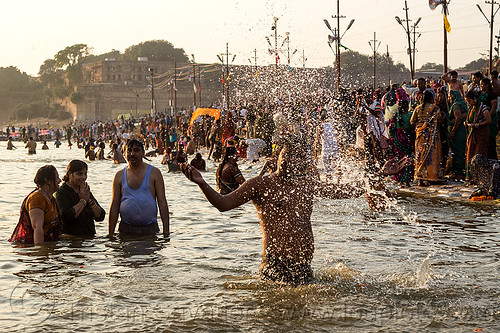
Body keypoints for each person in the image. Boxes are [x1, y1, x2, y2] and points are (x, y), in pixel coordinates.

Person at [179, 136, 389, 285]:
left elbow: (346, 191)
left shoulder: (307, 184)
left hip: (303, 268)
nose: (289, 159)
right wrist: (201, 183)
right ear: (277, 157)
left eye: (296, 156)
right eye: (285, 154)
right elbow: (223, 204)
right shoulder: (260, 184)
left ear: (304, 162)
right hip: (275, 266)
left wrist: (379, 176)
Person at [108, 139, 170, 236]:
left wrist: (166, 233)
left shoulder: (154, 173)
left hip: (150, 230)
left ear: (143, 153)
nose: (132, 154)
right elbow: (114, 206)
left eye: (136, 150)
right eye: (129, 151)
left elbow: (162, 202)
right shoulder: (119, 176)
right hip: (126, 231)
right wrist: (110, 234)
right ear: (124, 153)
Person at [9, 165, 62, 244]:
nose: (60, 180)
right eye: (57, 177)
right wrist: (39, 252)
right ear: (47, 180)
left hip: (48, 242)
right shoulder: (37, 198)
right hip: (29, 245)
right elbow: (37, 227)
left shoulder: (51, 199)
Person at [55, 160, 106, 236]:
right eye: (79, 174)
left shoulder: (84, 190)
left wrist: (91, 203)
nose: (83, 177)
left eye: (85, 174)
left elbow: (100, 216)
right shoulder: (61, 193)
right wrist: (83, 201)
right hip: (70, 242)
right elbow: (66, 217)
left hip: (89, 240)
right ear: (70, 174)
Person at [410, 90, 445, 186]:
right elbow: (439, 121)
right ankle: (431, 177)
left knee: (420, 155)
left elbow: (412, 121)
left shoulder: (417, 108)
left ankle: (420, 178)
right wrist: (444, 116)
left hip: (420, 135)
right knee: (431, 155)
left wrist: (421, 125)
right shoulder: (435, 108)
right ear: (431, 98)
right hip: (431, 135)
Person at [387, 88, 414, 186]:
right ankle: (407, 180)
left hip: (398, 140)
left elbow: (390, 129)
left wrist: (392, 139)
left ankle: (400, 179)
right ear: (407, 107)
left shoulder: (396, 116)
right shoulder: (411, 114)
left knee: (399, 159)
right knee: (408, 159)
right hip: (408, 139)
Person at [464, 91, 492, 180]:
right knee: (470, 154)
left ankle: (480, 178)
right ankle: (470, 177)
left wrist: (478, 125)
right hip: (473, 134)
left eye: (469, 101)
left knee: (479, 154)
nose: (468, 103)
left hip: (481, 135)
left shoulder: (483, 108)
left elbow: (489, 120)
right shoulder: (471, 108)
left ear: (475, 99)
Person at [447, 90, 468, 180]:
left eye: (449, 96)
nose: (449, 98)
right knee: (461, 151)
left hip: (458, 131)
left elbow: (458, 118)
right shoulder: (463, 103)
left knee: (458, 151)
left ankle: (459, 173)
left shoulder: (456, 105)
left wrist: (453, 131)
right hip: (463, 130)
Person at [479, 78, 498, 159]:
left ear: (487, 85)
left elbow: (494, 107)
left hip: (491, 118)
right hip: (481, 119)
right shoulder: (479, 93)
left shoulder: (492, 94)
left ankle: (493, 159)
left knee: (491, 140)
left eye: (482, 84)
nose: (481, 86)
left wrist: (488, 117)